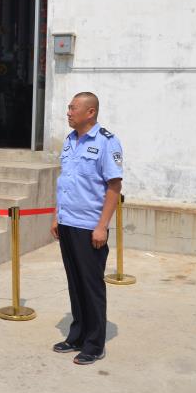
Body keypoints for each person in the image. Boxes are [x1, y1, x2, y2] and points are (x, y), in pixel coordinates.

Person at [50, 92, 123, 365]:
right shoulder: (70, 140)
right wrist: (57, 216)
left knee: (91, 286)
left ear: (90, 112)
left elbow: (114, 187)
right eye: (68, 108)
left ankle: (94, 344)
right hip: (67, 223)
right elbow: (65, 182)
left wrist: (102, 227)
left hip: (90, 227)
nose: (68, 112)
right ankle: (77, 335)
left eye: (73, 108)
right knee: (75, 283)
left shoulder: (106, 142)